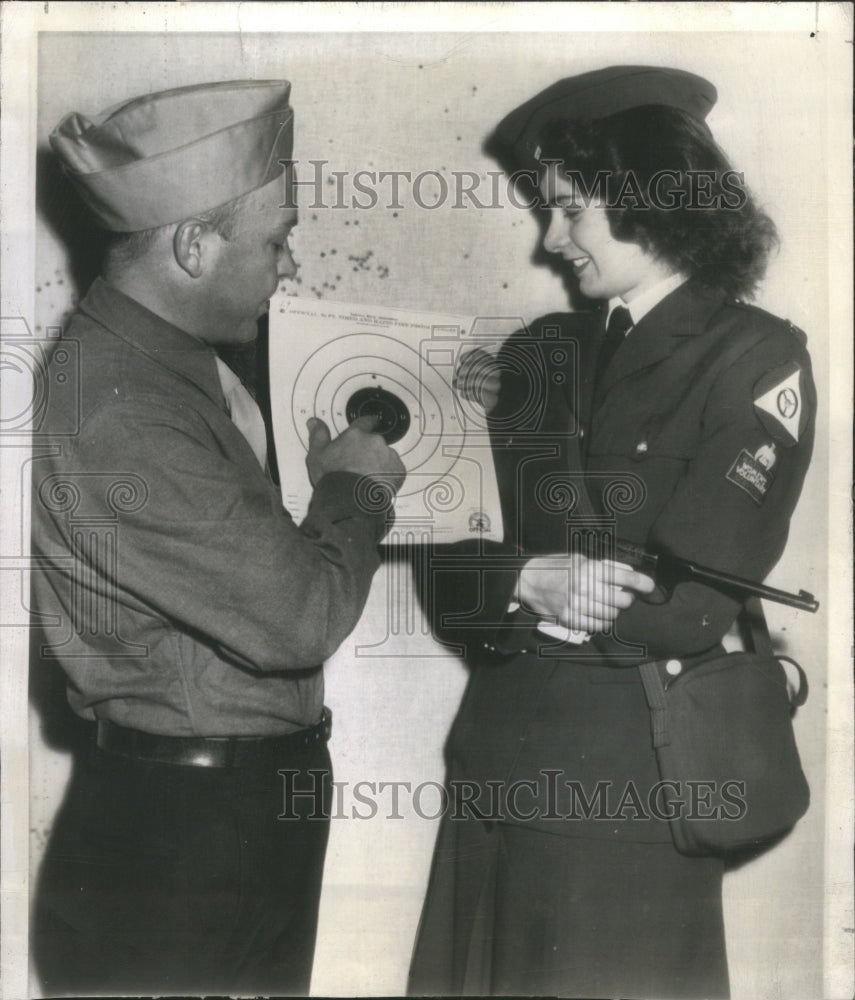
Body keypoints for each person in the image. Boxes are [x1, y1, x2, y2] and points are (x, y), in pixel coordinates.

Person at [409, 66, 815, 999]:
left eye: (572, 211)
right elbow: (446, 570)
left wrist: (531, 582)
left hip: (625, 789)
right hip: (492, 770)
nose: (551, 242)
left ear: (650, 200)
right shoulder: (537, 355)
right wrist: (524, 580)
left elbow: (684, 608)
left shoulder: (755, 357)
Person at [31, 79, 405, 997]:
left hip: (219, 820)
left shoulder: (168, 366)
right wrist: (356, 490)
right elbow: (300, 615)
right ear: (194, 244)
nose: (287, 266)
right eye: (276, 241)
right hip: (186, 844)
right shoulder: (123, 406)